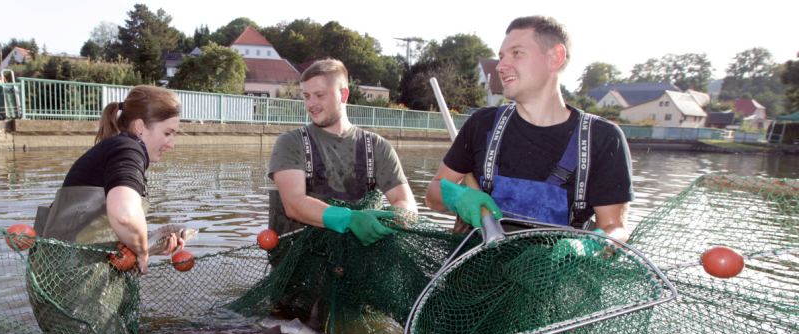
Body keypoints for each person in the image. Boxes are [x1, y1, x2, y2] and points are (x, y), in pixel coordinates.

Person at [424, 16, 633, 243]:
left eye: (517, 53)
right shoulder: (482, 123)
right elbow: (433, 194)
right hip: (474, 272)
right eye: (501, 56)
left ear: (555, 58)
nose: (501, 66)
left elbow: (615, 227)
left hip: (555, 275)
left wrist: (593, 247)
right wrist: (457, 197)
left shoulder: (602, 138)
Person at [27, 85, 183, 334]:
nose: (171, 144)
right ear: (140, 127)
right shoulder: (129, 149)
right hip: (75, 287)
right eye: (167, 133)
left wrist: (151, 245)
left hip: (57, 282)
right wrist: (143, 252)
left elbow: (96, 230)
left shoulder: (114, 148)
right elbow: (123, 214)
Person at [268, 59, 417, 246]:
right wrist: (349, 219)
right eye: (306, 96)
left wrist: (387, 222)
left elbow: (406, 203)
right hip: (302, 260)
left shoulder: (378, 147)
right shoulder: (291, 142)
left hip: (360, 263)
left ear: (343, 95)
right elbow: (294, 203)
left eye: (319, 95)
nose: (311, 104)